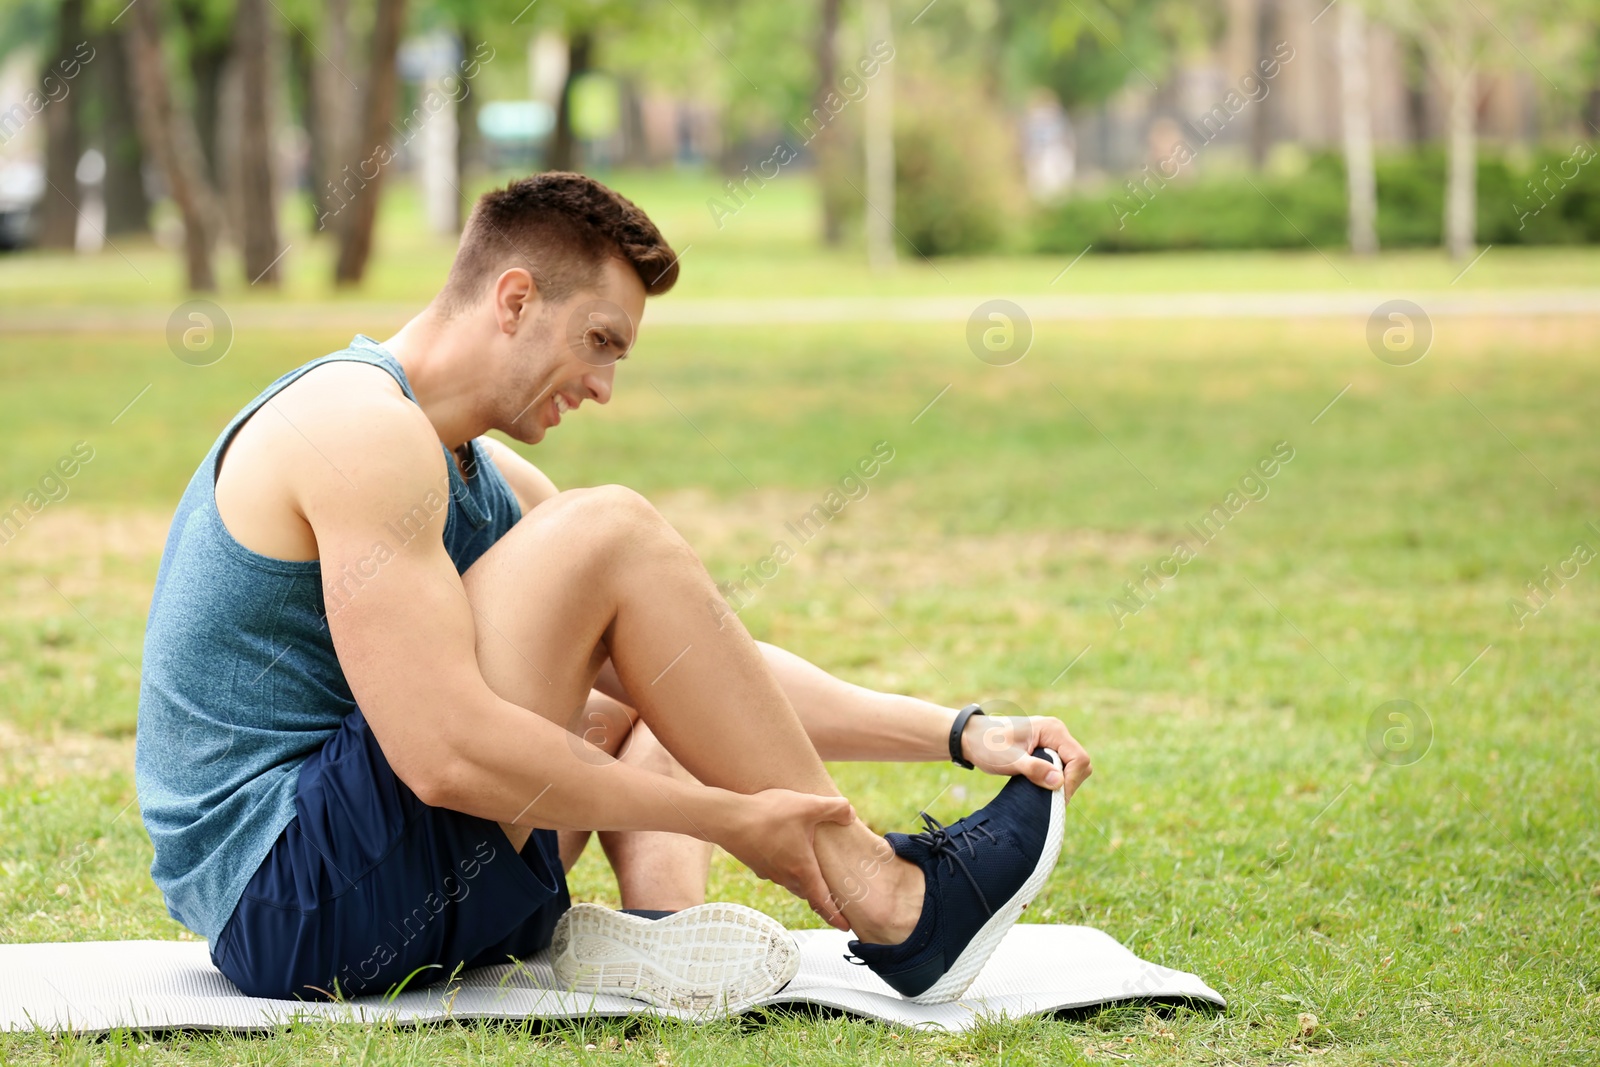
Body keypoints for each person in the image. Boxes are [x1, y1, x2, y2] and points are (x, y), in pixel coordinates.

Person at [135, 172, 1092, 1011]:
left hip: (398, 876)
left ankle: (664, 930)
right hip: (297, 903)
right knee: (611, 530)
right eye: (598, 341)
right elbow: (442, 755)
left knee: (655, 685)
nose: (602, 386)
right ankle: (894, 905)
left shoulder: (484, 475)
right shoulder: (355, 426)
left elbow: (709, 674)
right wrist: (731, 820)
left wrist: (960, 732)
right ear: (512, 298)